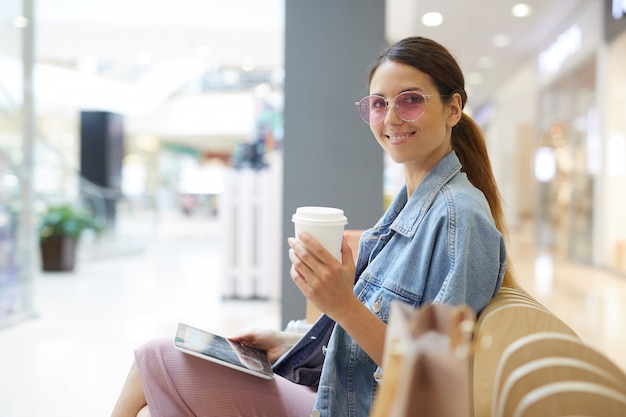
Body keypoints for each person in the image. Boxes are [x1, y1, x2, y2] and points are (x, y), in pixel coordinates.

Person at [111, 36, 514, 417]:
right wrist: (290, 343)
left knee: (155, 357)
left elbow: (434, 377)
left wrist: (343, 305)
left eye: (410, 100)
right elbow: (384, 339)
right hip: (341, 394)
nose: (391, 117)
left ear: (453, 108)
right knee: (167, 359)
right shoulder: (413, 208)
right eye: (378, 103)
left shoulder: (460, 217)